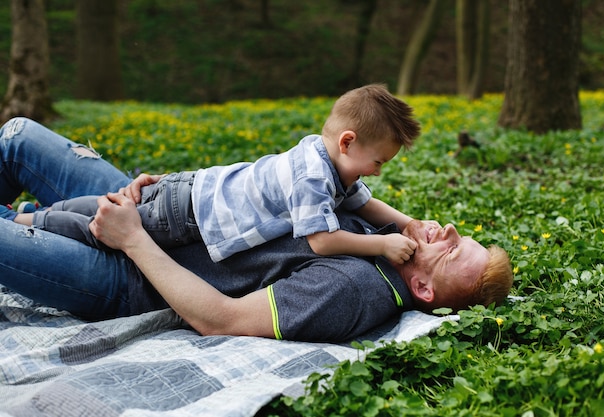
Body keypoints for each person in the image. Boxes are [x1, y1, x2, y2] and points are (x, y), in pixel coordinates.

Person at [0, 117, 513, 342]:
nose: (444, 230)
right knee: (18, 137)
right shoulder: (394, 244)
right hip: (168, 212)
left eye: (450, 250)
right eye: (457, 233)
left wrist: (132, 238)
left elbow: (220, 320)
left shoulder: (351, 289)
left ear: (423, 289)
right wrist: (177, 190)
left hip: (125, 273)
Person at [11, 84, 420, 265]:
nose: (377, 172)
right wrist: (382, 247)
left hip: (188, 192)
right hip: (187, 216)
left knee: (108, 203)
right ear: (347, 142)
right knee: (95, 229)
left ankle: (31, 211)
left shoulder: (322, 153)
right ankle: (22, 221)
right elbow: (322, 240)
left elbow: (361, 203)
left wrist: (407, 224)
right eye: (379, 162)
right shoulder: (312, 178)